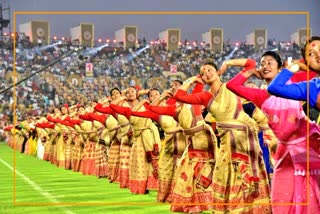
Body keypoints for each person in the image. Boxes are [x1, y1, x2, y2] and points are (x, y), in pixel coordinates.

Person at [226, 52, 320, 213]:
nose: (265, 66)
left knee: (312, 190)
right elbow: (231, 86)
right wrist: (250, 70)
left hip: (309, 144)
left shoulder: (292, 83)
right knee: (283, 193)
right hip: (286, 151)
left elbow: (313, 68)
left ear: (280, 67)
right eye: (262, 64)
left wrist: (294, 67)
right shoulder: (260, 95)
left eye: (270, 62)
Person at [173, 60, 271, 213]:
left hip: (245, 140)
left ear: (217, 71)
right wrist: (191, 80)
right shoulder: (205, 97)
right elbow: (179, 96)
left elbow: (251, 64)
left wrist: (228, 63)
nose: (207, 73)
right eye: (203, 73)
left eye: (210, 69)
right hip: (226, 144)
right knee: (226, 176)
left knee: (247, 176)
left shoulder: (231, 87)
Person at [268, 36, 320, 111]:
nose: (318, 55)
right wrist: (290, 69)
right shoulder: (310, 87)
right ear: (307, 63)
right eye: (311, 54)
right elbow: (274, 88)